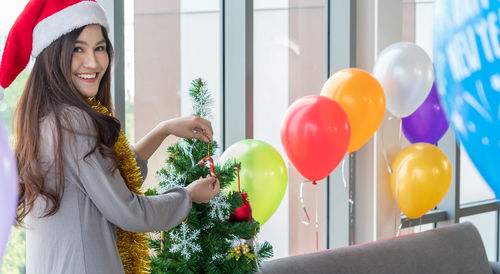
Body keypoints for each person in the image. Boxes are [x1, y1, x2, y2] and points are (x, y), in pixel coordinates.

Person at [0, 0, 220, 273]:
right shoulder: (73, 122)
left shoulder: (46, 118)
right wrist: (187, 196)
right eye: (78, 49)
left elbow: (107, 179)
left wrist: (163, 130)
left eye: (100, 48)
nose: (92, 62)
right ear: (53, 54)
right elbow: (129, 211)